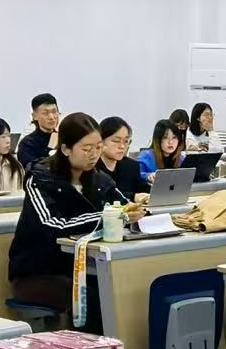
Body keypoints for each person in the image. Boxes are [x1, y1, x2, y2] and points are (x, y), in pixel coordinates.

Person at [9, 112, 136, 327]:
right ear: (66, 148)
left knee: (126, 288)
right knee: (97, 297)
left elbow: (125, 207)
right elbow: (52, 225)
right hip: (39, 272)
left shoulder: (100, 180)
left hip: (85, 267)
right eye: (86, 149)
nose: (94, 155)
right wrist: (109, 216)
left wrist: (136, 213)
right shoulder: (40, 179)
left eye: (98, 147)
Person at [97, 117, 148, 200]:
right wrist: (133, 197)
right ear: (101, 141)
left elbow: (143, 189)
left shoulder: (131, 166)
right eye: (116, 141)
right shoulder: (92, 168)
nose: (122, 146)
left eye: (126, 141)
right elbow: (101, 195)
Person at [16, 93, 60, 169]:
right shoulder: (27, 144)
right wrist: (50, 148)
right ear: (34, 116)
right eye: (45, 113)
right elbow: (33, 170)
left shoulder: (65, 137)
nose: (51, 117)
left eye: (54, 111)